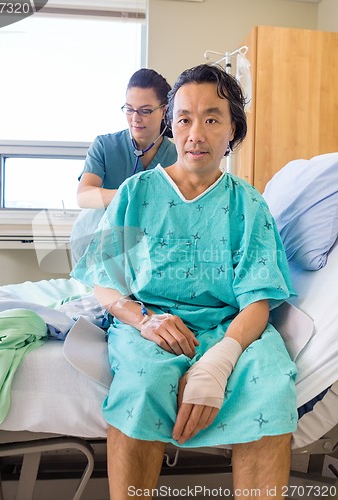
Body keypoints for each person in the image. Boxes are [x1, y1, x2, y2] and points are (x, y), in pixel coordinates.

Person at [72, 64, 297, 499]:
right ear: (171, 127)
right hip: (150, 319)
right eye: (184, 119)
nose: (196, 133)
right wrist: (142, 321)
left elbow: (258, 299)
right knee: (142, 381)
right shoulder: (136, 194)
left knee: (270, 384)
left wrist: (222, 358)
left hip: (230, 324)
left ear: (233, 129)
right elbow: (103, 281)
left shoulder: (248, 204)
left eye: (212, 118)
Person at [70, 68, 177, 265]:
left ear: (164, 110)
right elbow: (83, 196)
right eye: (129, 109)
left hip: (150, 255)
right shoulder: (104, 145)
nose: (135, 118)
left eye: (145, 111)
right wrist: (130, 193)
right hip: (95, 248)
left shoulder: (176, 157)